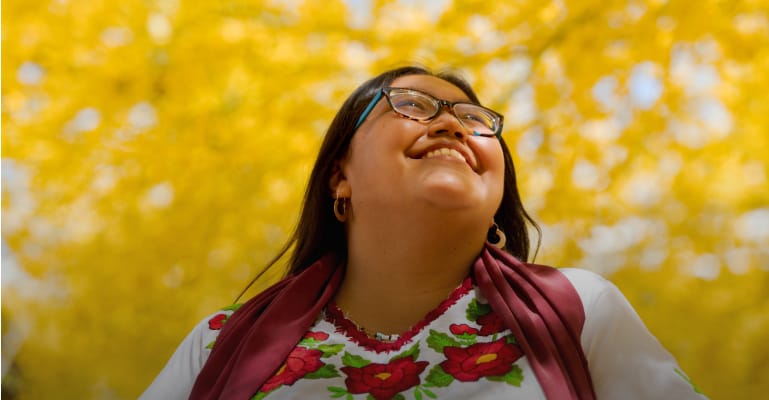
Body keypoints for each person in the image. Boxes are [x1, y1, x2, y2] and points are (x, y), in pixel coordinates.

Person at [141, 66, 706, 400]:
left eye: (475, 120)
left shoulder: (581, 311)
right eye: (411, 105)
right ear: (340, 176)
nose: (451, 123)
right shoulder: (218, 345)